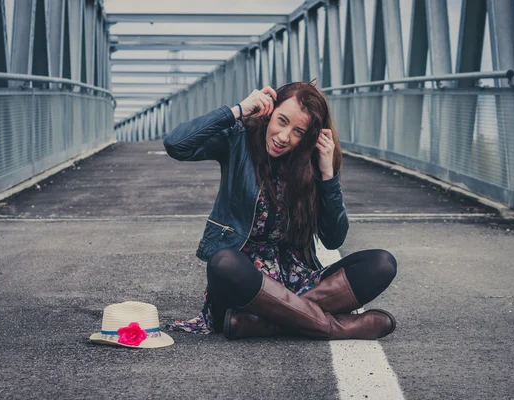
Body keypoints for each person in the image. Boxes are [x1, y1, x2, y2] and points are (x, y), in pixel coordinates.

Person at [163, 81, 397, 340]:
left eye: (298, 131)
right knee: (223, 262)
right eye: (282, 121)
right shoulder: (239, 139)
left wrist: (328, 175)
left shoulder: (310, 163)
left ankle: (263, 323)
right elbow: (176, 143)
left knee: (381, 264)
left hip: (296, 278)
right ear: (270, 112)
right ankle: (330, 327)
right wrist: (238, 110)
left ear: (309, 137)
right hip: (243, 281)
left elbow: (334, 239)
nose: (284, 137)